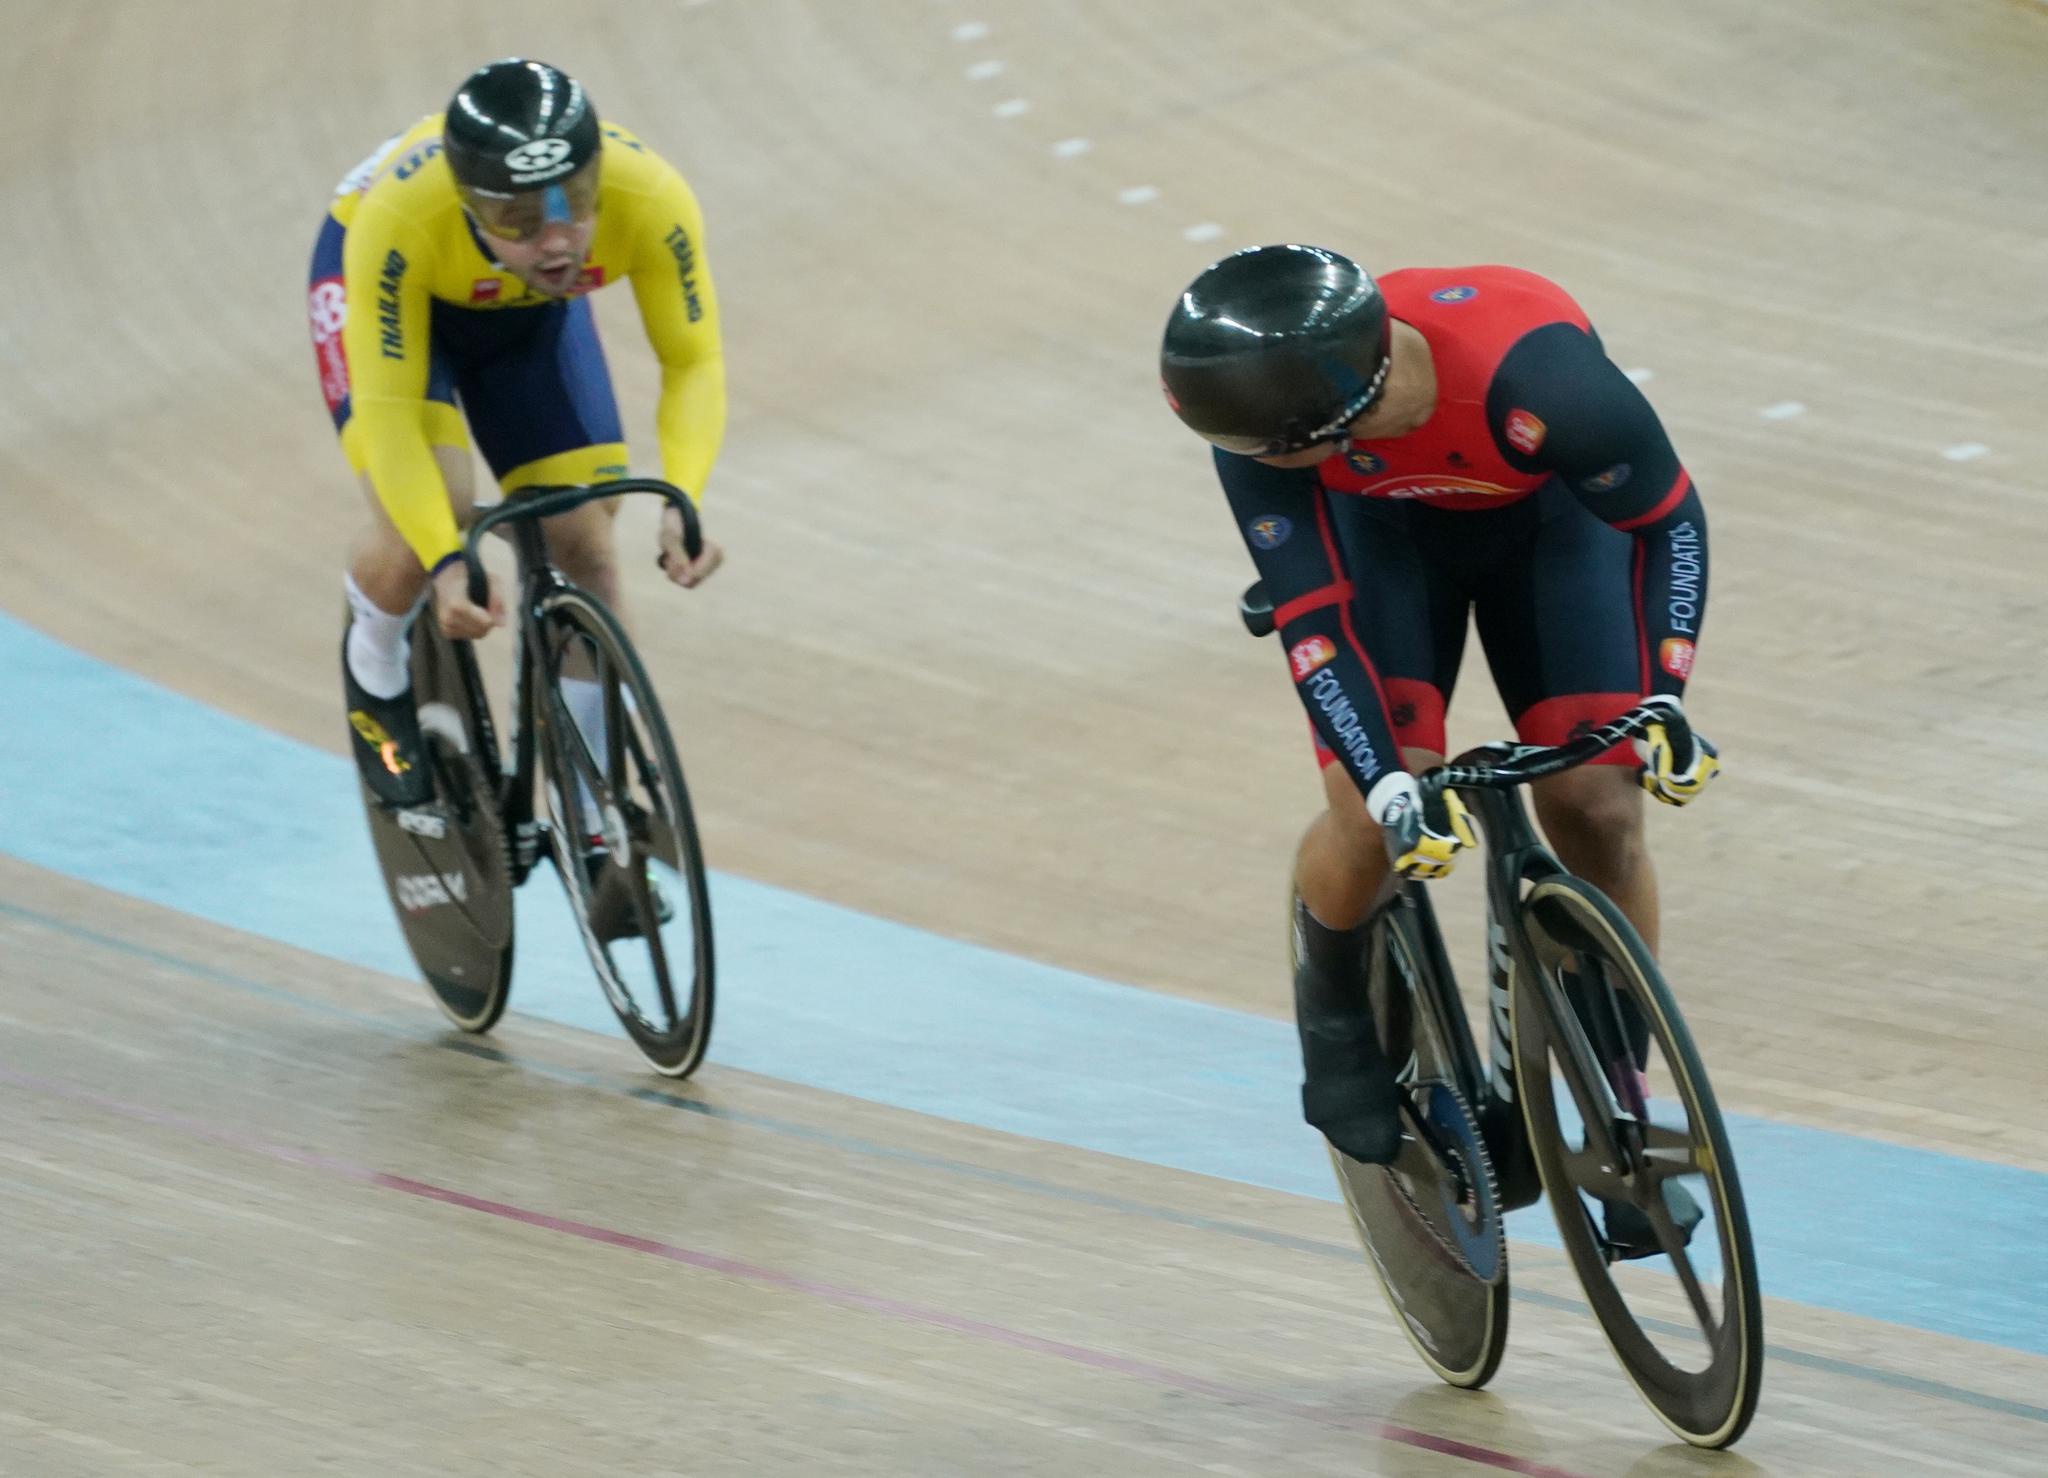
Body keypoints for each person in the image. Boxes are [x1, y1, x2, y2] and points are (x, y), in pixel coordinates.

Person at [1158, 245, 1720, 1209]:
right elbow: (1316, 623)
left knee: (1598, 802)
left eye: (1264, 451)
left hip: (1546, 535)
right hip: (1378, 550)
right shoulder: (1262, 430)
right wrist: (1382, 780)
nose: (1243, 464)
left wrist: (1665, 692)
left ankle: (1617, 1096)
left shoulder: (1543, 379)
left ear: (1329, 420)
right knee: (1376, 810)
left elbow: (1667, 523)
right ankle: (1332, 1014)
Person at [309, 58, 726, 810]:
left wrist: (684, 500)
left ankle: (597, 813)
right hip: (395, 296)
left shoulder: (649, 197)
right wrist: (443, 558)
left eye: (578, 205)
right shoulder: (400, 219)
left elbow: (693, 362)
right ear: (471, 207)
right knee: (424, 521)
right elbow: (391, 416)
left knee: (586, 547)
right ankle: (374, 664)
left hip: (522, 313)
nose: (559, 242)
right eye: (521, 222)